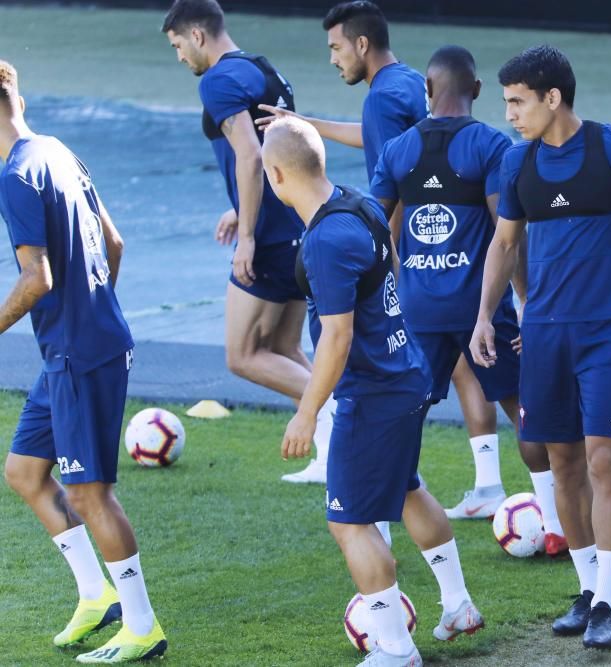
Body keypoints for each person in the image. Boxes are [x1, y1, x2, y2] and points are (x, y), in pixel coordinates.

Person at [471, 45, 611, 650]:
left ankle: (610, 601)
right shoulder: (517, 166)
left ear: (552, 98)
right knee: (559, 459)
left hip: (608, 329)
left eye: (517, 101)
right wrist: (485, 315)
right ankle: (589, 591)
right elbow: (505, 245)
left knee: (602, 459)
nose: (510, 113)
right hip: (543, 331)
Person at [262, 116, 484, 666]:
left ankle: (395, 647)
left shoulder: (327, 240)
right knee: (408, 489)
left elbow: (337, 337)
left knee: (349, 520)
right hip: (406, 375)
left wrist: (307, 413)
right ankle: (457, 605)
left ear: (275, 174)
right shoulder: (359, 204)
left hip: (374, 391)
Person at [258, 1, 503, 491]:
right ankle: (488, 485)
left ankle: (397, 485)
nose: (332, 58)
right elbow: (381, 142)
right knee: (468, 370)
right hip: (452, 254)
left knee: (425, 382)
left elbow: (395, 181)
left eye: (335, 47)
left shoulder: (380, 99)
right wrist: (305, 124)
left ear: (361, 44)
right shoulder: (408, 81)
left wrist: (383, 265)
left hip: (422, 261)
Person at [0, 60, 167, 664]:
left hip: (79, 352)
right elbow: (113, 241)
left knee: (89, 492)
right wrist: (96, 311)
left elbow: (36, 278)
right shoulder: (56, 150)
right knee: (24, 472)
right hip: (77, 347)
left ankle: (143, 625)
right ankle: (96, 596)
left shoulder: (16, 176)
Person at [370, 45, 567, 554]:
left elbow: (373, 229)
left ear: (427, 91)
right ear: (477, 90)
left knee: (399, 414)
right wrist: (525, 303)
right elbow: (510, 238)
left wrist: (397, 282)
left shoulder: (397, 151)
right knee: (525, 408)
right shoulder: (492, 146)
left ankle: (382, 531)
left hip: (418, 312)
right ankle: (552, 523)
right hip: (482, 309)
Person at [161, 0, 336, 485]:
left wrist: (248, 236)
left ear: (197, 35)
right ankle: (331, 453)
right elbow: (285, 152)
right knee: (283, 346)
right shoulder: (263, 69)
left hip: (274, 238)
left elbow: (252, 153)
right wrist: (242, 207)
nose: (179, 57)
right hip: (302, 224)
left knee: (243, 356)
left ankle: (341, 412)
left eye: (177, 45)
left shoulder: (216, 80)